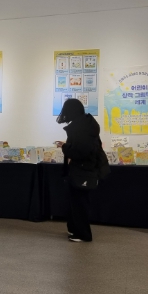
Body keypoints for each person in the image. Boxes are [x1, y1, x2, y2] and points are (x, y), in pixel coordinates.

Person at [56, 98, 102, 243]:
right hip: (84, 169)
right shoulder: (87, 124)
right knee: (75, 202)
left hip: (82, 170)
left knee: (79, 204)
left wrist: (65, 147)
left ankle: (83, 234)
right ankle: (74, 229)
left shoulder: (80, 127)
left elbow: (80, 151)